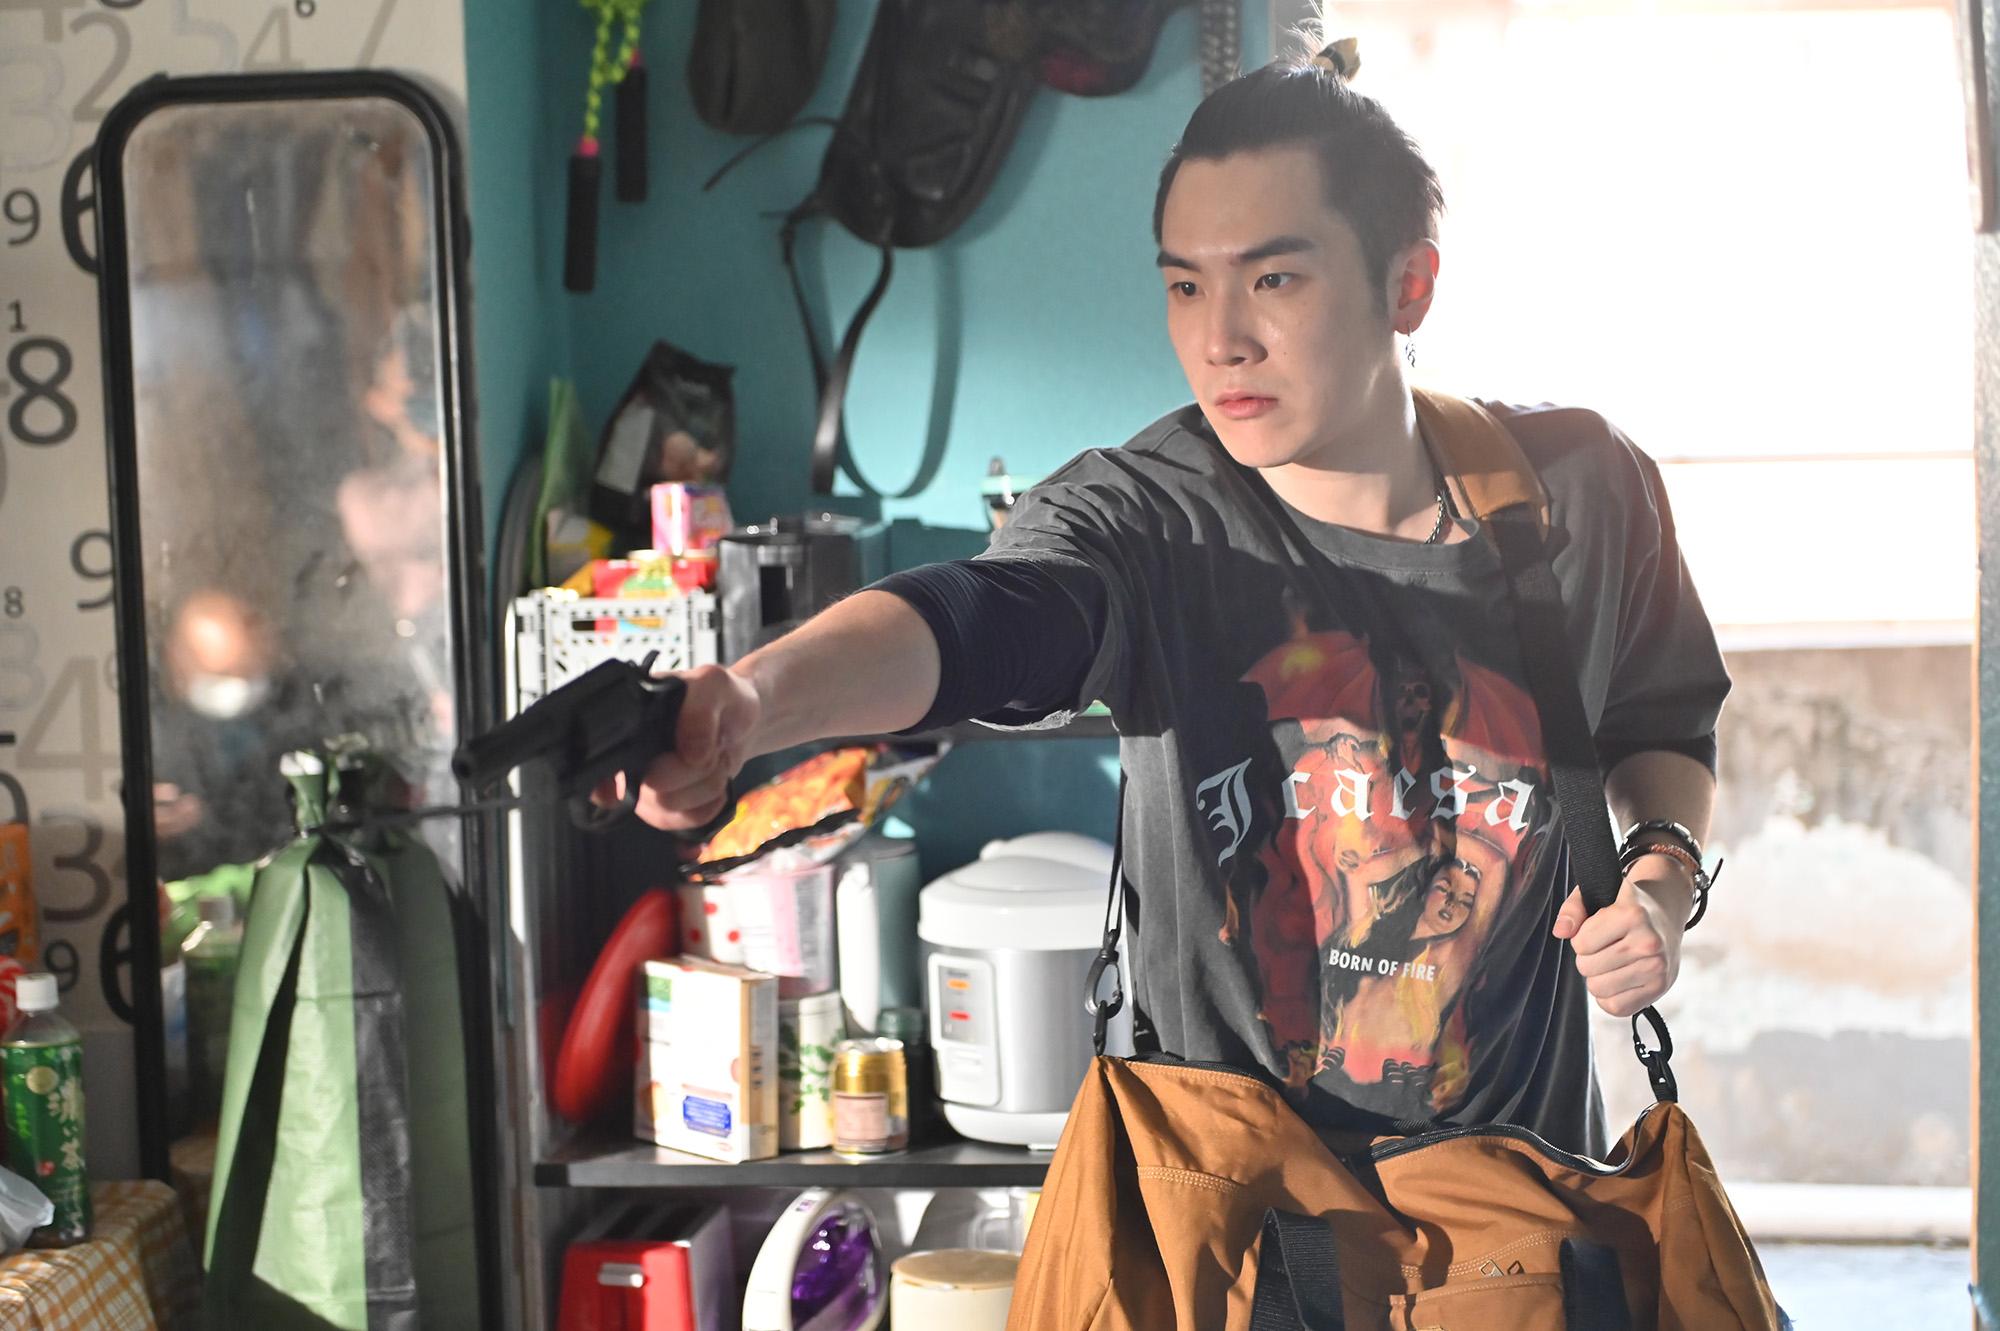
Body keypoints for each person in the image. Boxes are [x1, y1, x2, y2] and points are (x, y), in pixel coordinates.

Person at [613, 31, 1728, 1157]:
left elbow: (1662, 719)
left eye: (1273, 279)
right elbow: (980, 621)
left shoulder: (1580, 493)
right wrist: (755, 701)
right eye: (1185, 284)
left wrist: (1660, 876)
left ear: (1408, 284)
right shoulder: (1149, 517)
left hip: (1516, 1196)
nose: (1219, 338)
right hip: (1228, 1209)